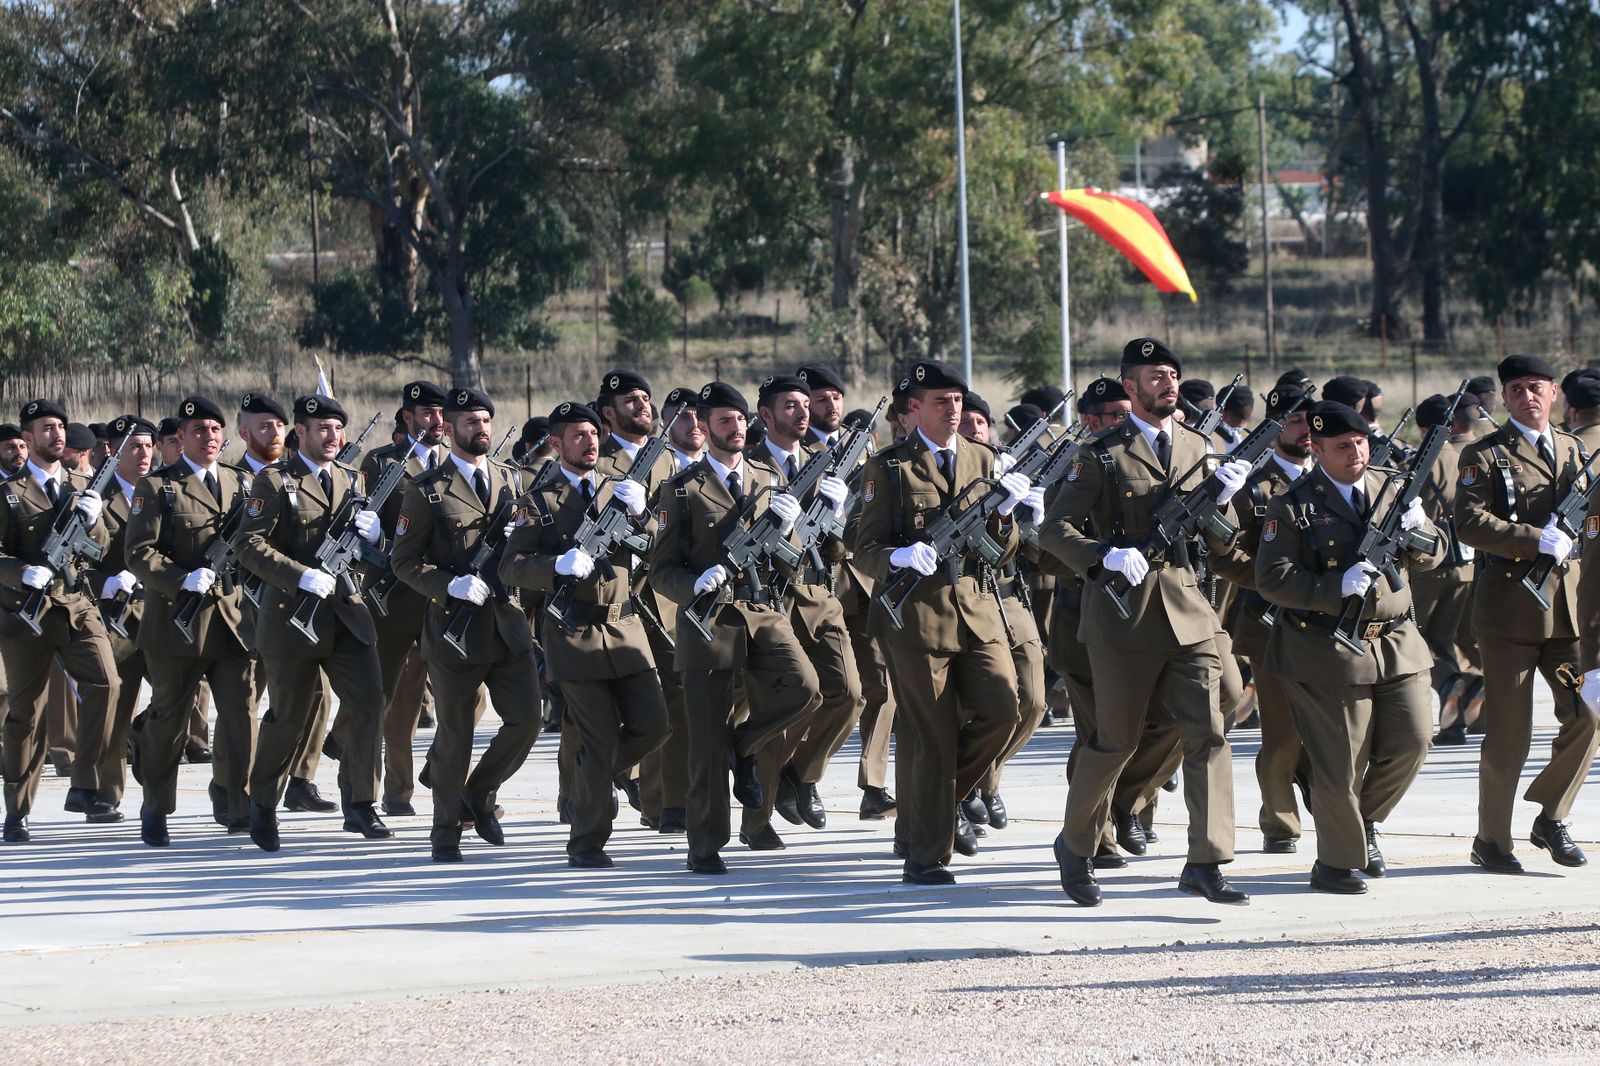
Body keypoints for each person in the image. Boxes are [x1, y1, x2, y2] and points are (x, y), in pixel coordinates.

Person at [1039, 338, 1253, 907]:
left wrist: (1225, 502)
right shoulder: (1102, 454)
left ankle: (1208, 861)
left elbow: (1222, 539)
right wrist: (1101, 556)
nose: (1168, 383)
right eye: (1155, 376)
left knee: (1208, 734)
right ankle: (1078, 845)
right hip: (1121, 615)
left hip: (1188, 609)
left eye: (1173, 374)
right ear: (1129, 388)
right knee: (1114, 741)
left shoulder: (1198, 446)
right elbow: (1054, 530)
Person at [852, 359, 1031, 885]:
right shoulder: (888, 468)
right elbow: (864, 550)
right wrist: (899, 558)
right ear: (915, 410)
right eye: (940, 402)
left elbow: (1004, 552)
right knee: (930, 734)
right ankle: (926, 856)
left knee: (1006, 708)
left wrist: (1005, 516)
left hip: (977, 610)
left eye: (958, 400)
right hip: (915, 618)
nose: (953, 410)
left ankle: (928, 806)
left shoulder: (986, 459)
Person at [1255, 400, 1443, 893]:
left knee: (1415, 739)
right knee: (1340, 762)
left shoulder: (1393, 488)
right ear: (1316, 450)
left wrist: (1421, 533)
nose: (1355, 452)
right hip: (1326, 648)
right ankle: (1338, 862)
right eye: (1341, 446)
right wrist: (1333, 585)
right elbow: (1271, 579)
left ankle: (1362, 824)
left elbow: (1434, 555)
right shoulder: (1293, 504)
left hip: (1398, 640)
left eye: (1360, 441)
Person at [649, 381, 820, 874]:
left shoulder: (769, 478)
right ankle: (705, 844)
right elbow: (661, 571)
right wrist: (695, 582)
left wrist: (790, 531)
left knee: (806, 688)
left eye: (742, 418)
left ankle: (745, 747)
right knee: (705, 742)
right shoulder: (680, 489)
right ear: (705, 428)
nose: (737, 427)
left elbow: (794, 564)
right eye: (725, 420)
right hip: (709, 620)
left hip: (763, 612)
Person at [501, 401, 669, 867]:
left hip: (625, 626)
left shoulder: (621, 488)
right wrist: (554, 565)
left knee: (655, 724)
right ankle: (587, 842)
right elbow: (510, 567)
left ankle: (588, 778)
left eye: (594, 433)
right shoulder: (537, 500)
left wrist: (644, 520)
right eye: (578, 435)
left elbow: (657, 547)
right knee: (596, 739)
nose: (590, 441)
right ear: (556, 445)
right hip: (572, 630)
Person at [1454, 354, 1598, 873]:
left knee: (1588, 715)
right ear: (1506, 398)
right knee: (1510, 735)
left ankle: (1551, 816)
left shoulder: (1574, 449)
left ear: (1554, 393)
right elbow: (1468, 522)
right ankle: (1491, 840)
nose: (1527, 396)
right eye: (1516, 390)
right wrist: (1537, 539)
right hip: (1509, 614)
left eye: (1536, 388)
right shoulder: (1484, 454)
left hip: (1567, 615)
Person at [390, 386, 541, 862]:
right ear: (450, 429)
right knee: (454, 734)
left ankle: (478, 791)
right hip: (454, 629)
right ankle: (445, 833)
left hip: (507, 625)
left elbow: (530, 543)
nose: (481, 429)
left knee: (528, 720)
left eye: (485, 421)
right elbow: (403, 562)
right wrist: (447, 585)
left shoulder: (511, 481)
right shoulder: (427, 490)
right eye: (470, 422)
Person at [237, 393, 392, 851]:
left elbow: (363, 556)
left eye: (337, 428)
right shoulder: (274, 481)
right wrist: (299, 575)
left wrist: (374, 539)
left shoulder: (353, 478)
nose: (333, 436)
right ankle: (262, 804)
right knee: (289, 718)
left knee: (368, 705)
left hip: (347, 613)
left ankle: (361, 804)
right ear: (299, 433)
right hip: (289, 617)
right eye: (322, 428)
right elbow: (249, 546)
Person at [125, 395, 263, 845]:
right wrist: (182, 578)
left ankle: (240, 805)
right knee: (170, 720)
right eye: (198, 430)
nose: (208, 437)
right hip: (174, 625)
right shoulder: (158, 488)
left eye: (214, 430)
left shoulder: (242, 484)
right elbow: (139, 554)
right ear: (179, 438)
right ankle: (156, 807)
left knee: (241, 715)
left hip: (232, 621)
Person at [745, 374, 860, 849]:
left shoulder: (822, 463)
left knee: (850, 693)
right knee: (781, 711)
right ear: (766, 416)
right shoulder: (748, 468)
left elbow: (839, 547)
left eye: (803, 405)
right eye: (789, 406)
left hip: (819, 596)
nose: (802, 412)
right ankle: (758, 820)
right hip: (771, 601)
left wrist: (838, 512)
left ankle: (802, 774)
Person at [0, 400, 120, 841]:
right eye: (46, 428)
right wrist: (17, 571)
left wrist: (92, 522)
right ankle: (17, 807)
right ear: (27, 438)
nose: (57, 434)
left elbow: (102, 547)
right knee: (26, 715)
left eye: (61, 427)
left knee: (108, 684)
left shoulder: (82, 485)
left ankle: (84, 785)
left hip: (75, 605)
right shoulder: (8, 492)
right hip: (24, 614)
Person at [332, 380, 447, 817]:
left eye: (441, 413)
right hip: (393, 597)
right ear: (408, 417)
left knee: (459, 699)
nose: (436, 421)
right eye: (427, 413)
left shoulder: (455, 464)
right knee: (384, 700)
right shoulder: (381, 464)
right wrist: (377, 539)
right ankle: (375, 795)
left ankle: (431, 773)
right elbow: (361, 524)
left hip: (442, 599)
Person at [1214, 383, 1315, 853]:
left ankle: (1325, 796)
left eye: (1309, 418)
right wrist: (1275, 579)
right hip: (1270, 621)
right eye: (1294, 420)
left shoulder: (1334, 473)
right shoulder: (1251, 485)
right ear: (1275, 427)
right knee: (1282, 728)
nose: (1305, 428)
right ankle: (1280, 822)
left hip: (1332, 617)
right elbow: (1223, 552)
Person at [90, 414, 158, 814]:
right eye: (135, 446)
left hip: (162, 612)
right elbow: (77, 563)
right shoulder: (96, 498)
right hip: (117, 619)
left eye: (149, 445)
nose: (144, 453)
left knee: (176, 701)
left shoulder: (165, 491)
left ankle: (145, 735)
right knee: (116, 707)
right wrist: (105, 583)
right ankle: (106, 794)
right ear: (113, 452)